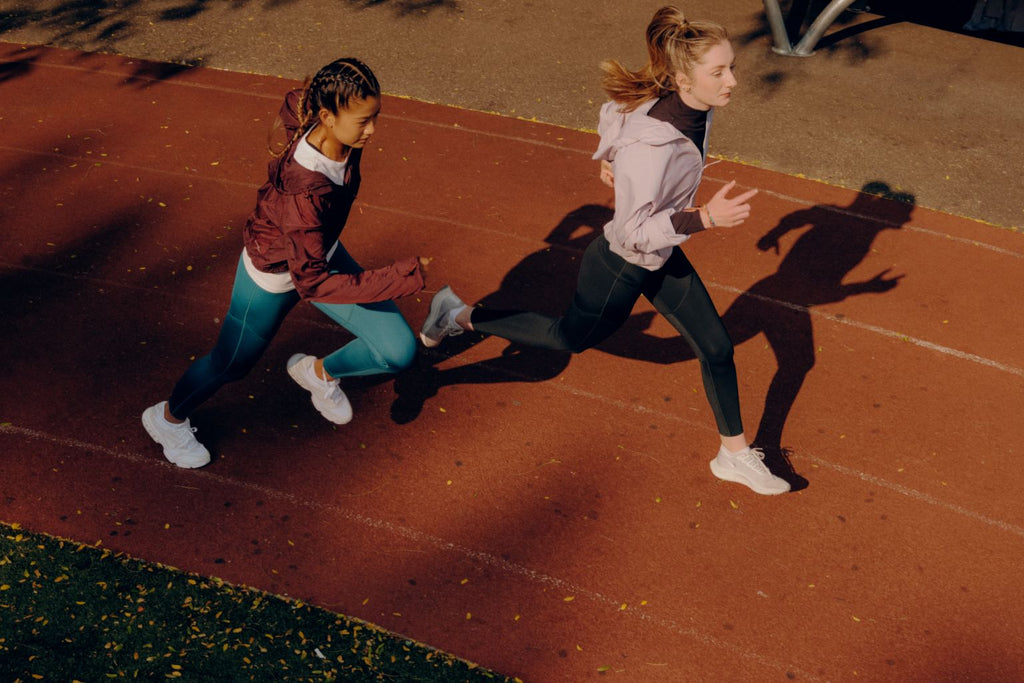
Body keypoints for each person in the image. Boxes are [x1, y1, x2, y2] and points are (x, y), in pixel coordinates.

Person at [420, 6, 790, 495]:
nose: (732, 82)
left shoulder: (688, 103)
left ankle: (733, 454)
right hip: (621, 263)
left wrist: (607, 156)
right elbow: (634, 231)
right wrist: (704, 218)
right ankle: (459, 315)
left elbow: (613, 111)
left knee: (716, 347)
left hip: (660, 251)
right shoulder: (652, 146)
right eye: (719, 72)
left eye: (732, 67)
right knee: (567, 336)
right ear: (683, 79)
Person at [142, 58, 425, 468]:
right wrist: (399, 278)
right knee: (229, 365)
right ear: (328, 117)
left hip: (318, 254)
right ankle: (168, 419)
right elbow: (311, 283)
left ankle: (320, 374)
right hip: (275, 276)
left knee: (398, 350)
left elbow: (296, 99)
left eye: (376, 116)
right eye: (364, 121)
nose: (372, 130)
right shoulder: (303, 193)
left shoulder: (317, 114)